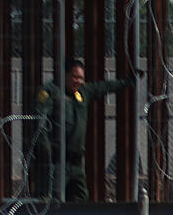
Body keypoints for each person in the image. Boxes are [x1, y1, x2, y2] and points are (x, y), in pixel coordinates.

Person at [31, 58, 130, 203]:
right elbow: (39, 123)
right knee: (52, 200)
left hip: (76, 164)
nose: (78, 81)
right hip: (57, 162)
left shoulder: (82, 93)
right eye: (74, 77)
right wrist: (46, 151)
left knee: (80, 199)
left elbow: (103, 87)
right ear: (64, 75)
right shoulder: (50, 92)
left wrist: (126, 82)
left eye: (81, 78)